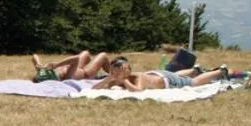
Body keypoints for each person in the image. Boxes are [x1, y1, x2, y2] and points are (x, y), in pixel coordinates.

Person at [93, 57, 230, 91]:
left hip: (167, 80)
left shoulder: (138, 77)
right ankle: (195, 70)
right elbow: (95, 89)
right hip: (157, 74)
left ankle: (221, 71)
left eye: (117, 71)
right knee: (176, 74)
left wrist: (124, 80)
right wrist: (107, 80)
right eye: (112, 71)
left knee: (194, 83)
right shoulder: (115, 79)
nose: (114, 74)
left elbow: (137, 90)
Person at [31, 51, 111, 82]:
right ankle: (114, 74)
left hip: (76, 67)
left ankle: (99, 74)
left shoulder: (43, 74)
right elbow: (76, 58)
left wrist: (38, 63)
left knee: (86, 53)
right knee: (103, 55)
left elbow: (34, 56)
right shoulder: (66, 77)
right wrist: (57, 64)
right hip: (87, 74)